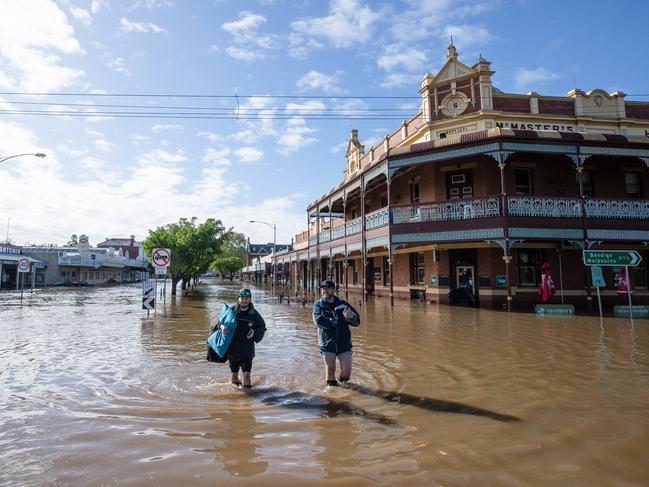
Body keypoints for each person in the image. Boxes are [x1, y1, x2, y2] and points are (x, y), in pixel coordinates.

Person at [213, 288, 266, 388]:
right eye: (242, 298)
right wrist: (222, 327)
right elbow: (218, 324)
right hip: (232, 350)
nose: (244, 300)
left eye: (247, 298)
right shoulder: (231, 311)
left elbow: (262, 327)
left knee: (246, 376)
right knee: (234, 375)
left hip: (247, 351)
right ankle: (235, 399)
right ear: (238, 299)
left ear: (250, 300)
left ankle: (248, 399)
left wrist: (254, 333)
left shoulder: (254, 314)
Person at [312, 279, 360, 387]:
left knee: (346, 373)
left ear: (333, 290)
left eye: (327, 288)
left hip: (344, 343)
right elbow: (318, 321)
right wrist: (335, 322)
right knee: (330, 372)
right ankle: (333, 397)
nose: (324, 291)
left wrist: (351, 317)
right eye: (322, 289)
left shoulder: (343, 305)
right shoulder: (318, 305)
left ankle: (342, 385)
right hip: (327, 343)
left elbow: (357, 322)